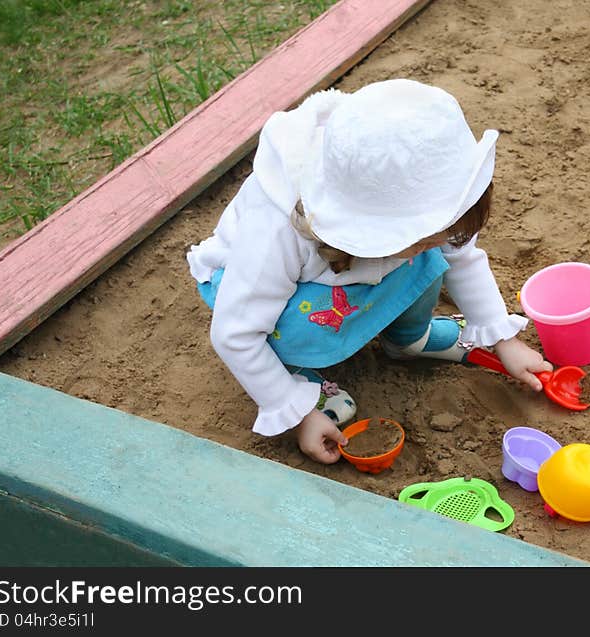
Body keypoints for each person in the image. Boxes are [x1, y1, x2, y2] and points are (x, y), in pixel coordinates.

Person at [187, 78, 552, 464]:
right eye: (421, 237)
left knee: (428, 259)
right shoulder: (277, 228)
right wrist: (294, 410)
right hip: (277, 295)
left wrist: (502, 338)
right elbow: (236, 332)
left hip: (349, 276)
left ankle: (409, 338)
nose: (437, 242)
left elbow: (459, 254)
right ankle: (296, 373)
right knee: (298, 321)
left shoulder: (417, 192)